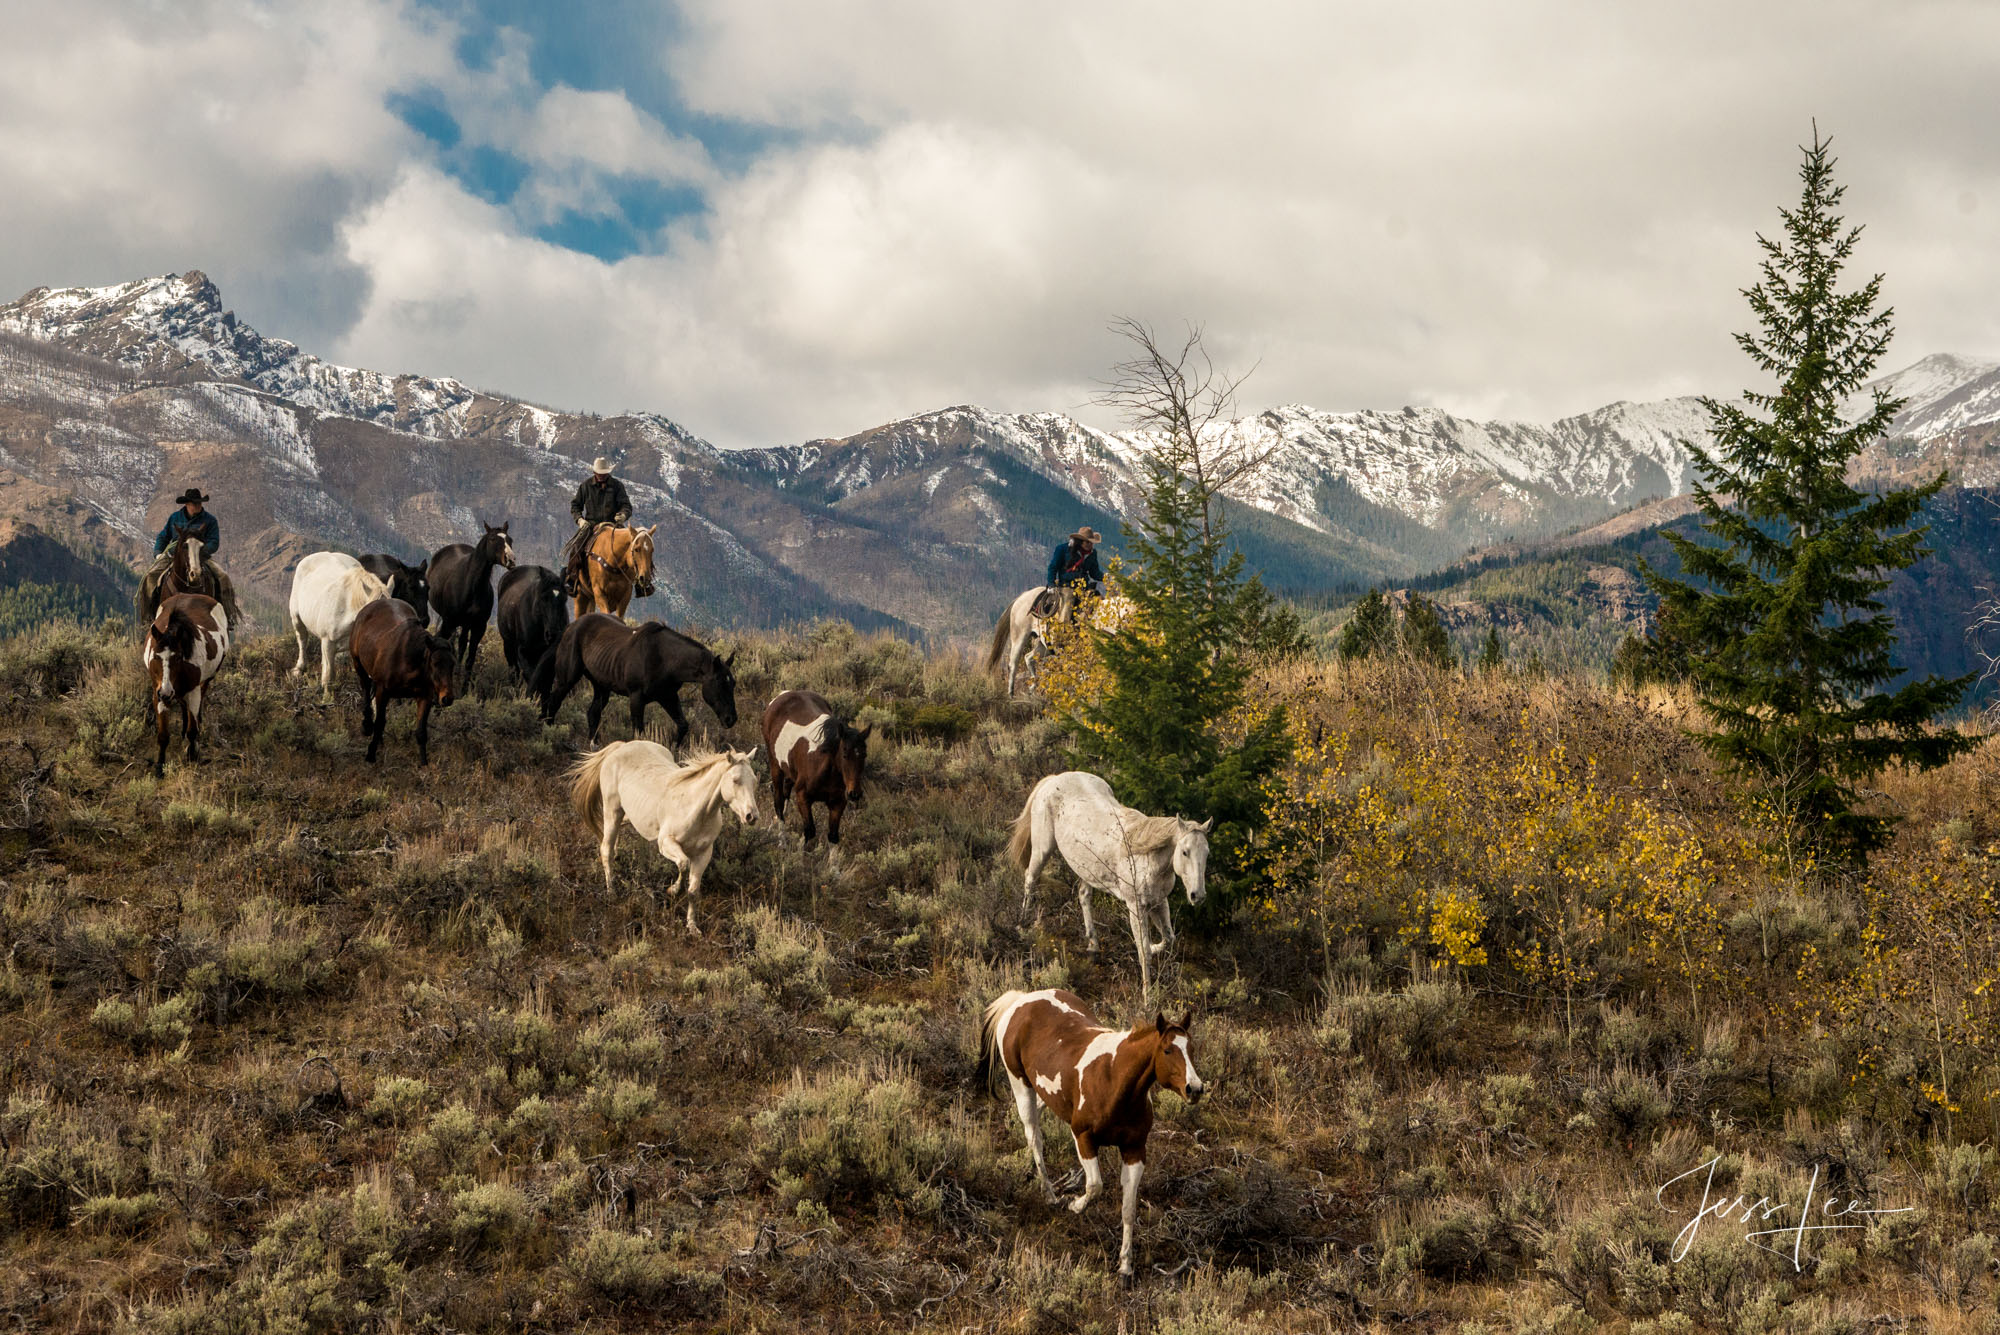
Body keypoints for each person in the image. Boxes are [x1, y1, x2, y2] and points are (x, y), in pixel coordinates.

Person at [139, 487, 241, 625]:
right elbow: (163, 537)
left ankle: (227, 616)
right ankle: (150, 615)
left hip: (200, 555)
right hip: (174, 555)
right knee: (150, 577)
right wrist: (158, 554)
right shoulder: (174, 518)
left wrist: (202, 551)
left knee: (223, 577)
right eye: (194, 503)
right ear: (186, 504)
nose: (197, 506)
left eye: (199, 503)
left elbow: (214, 542)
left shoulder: (210, 520)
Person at [563, 456, 633, 595]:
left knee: (633, 547)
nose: (601, 476)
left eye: (603, 473)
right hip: (591, 526)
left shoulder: (617, 486)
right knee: (577, 548)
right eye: (599, 473)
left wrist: (623, 515)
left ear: (608, 473)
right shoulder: (585, 486)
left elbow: (626, 505)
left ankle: (641, 583)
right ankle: (572, 579)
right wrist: (580, 520)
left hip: (614, 526)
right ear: (595, 472)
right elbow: (575, 505)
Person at [1045, 526, 1105, 600]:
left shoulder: (1092, 553)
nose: (1090, 545)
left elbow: (1094, 572)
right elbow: (1053, 567)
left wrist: (1105, 578)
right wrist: (1051, 584)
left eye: (1091, 542)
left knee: (1100, 601)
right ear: (1080, 541)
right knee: (1067, 606)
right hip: (1066, 586)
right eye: (1087, 542)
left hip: (1084, 587)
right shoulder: (1062, 549)